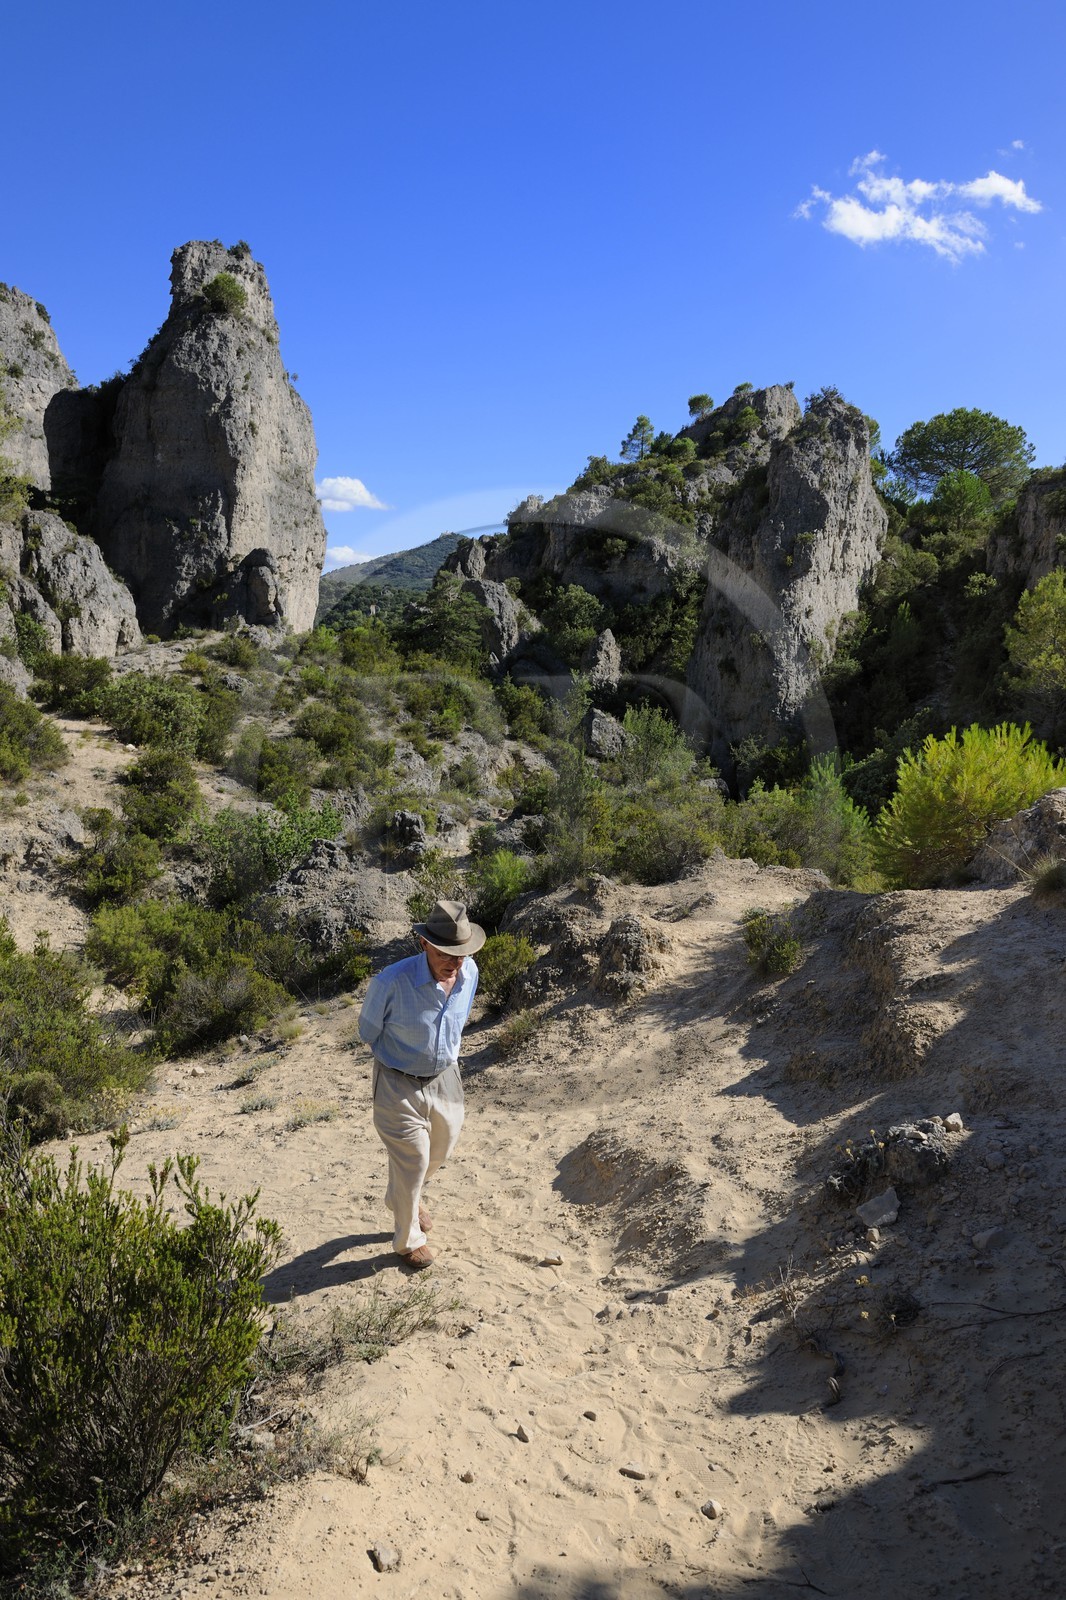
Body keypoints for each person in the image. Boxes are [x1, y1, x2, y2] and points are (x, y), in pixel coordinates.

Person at [357, 899, 485, 1268]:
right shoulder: (391, 981)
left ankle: (401, 1196)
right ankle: (408, 1240)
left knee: (440, 1151)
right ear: (424, 943)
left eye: (461, 953)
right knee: (414, 1159)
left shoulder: (469, 973)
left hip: (446, 1077)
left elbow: (459, 1021)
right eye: (445, 953)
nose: (454, 962)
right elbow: (367, 1031)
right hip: (397, 1082)